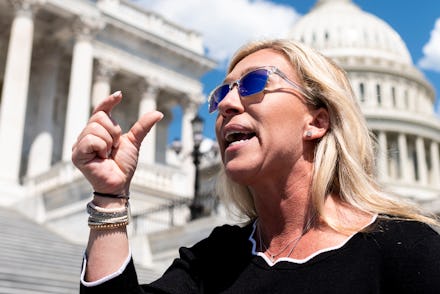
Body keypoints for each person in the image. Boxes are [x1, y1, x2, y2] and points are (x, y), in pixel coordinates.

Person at [73, 39, 440, 294]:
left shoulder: (407, 248)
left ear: (318, 122)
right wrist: (110, 196)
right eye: (222, 93)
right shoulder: (216, 257)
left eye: (253, 83)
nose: (227, 104)